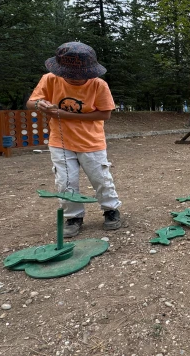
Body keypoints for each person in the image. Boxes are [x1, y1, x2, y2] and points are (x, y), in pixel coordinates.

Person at [27, 42, 122, 237]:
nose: (77, 79)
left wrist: (65, 115)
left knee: (101, 178)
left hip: (91, 142)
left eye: (82, 76)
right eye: (71, 75)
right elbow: (31, 102)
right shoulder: (50, 80)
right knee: (65, 181)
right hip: (59, 141)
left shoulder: (98, 84)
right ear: (61, 71)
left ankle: (111, 209)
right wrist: (40, 104)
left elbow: (104, 114)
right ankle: (73, 216)